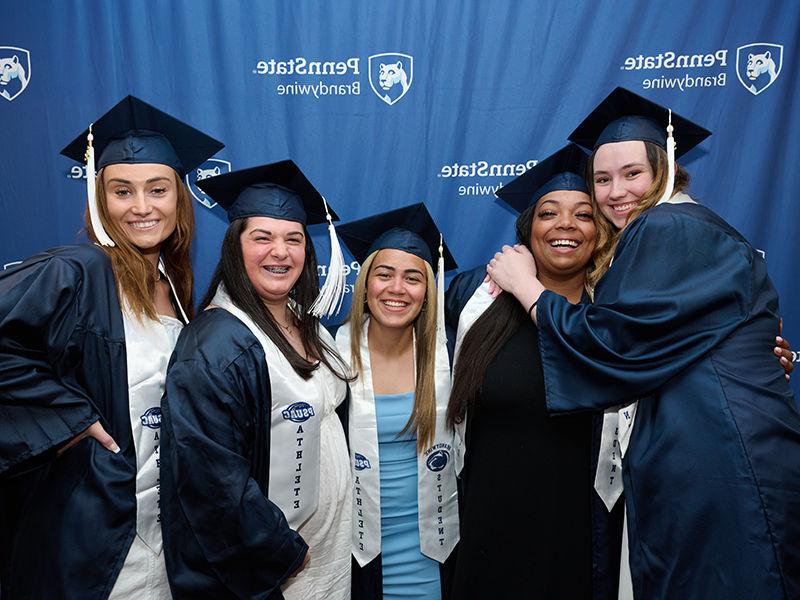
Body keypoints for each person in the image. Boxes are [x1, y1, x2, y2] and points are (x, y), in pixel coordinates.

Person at [488, 87, 800, 599]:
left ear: (667, 168)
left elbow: (616, 347)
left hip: (719, 462)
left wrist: (529, 288)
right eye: (603, 179)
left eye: (633, 173)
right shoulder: (681, 228)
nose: (615, 193)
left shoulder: (668, 225)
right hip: (716, 455)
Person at [0, 95, 223, 599]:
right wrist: (69, 418)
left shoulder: (174, 285)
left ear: (179, 198)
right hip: (94, 531)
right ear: (101, 200)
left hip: (163, 532)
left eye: (157, 190)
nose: (141, 207)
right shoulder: (79, 270)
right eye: (122, 191)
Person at [160, 160, 353, 599]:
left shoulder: (309, 324)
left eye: (293, 238)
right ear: (234, 247)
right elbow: (211, 481)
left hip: (330, 555)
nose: (280, 252)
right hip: (279, 571)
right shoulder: (215, 344)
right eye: (261, 238)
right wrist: (280, 551)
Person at [445, 144, 622, 599]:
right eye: (549, 212)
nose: (565, 224)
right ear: (529, 229)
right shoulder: (474, 303)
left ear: (600, 232)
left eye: (583, 214)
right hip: (490, 529)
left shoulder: (618, 317)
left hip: (586, 533)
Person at [334, 203, 460, 600]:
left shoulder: (452, 355)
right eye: (383, 275)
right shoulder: (328, 357)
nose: (396, 289)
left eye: (413, 278)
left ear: (427, 293)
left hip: (437, 550)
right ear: (365, 284)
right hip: (354, 551)